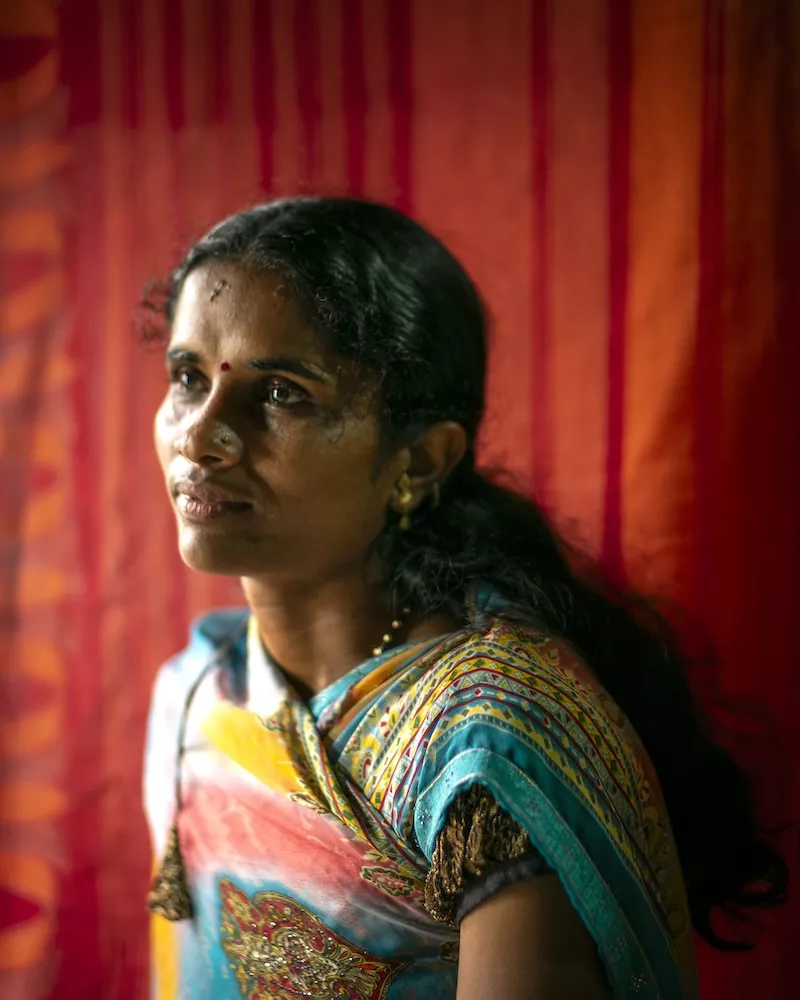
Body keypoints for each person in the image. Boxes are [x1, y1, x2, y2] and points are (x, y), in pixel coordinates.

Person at [143, 197, 786, 1000]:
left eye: (281, 394)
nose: (202, 435)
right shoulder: (196, 699)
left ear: (417, 460)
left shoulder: (489, 743)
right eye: (187, 378)